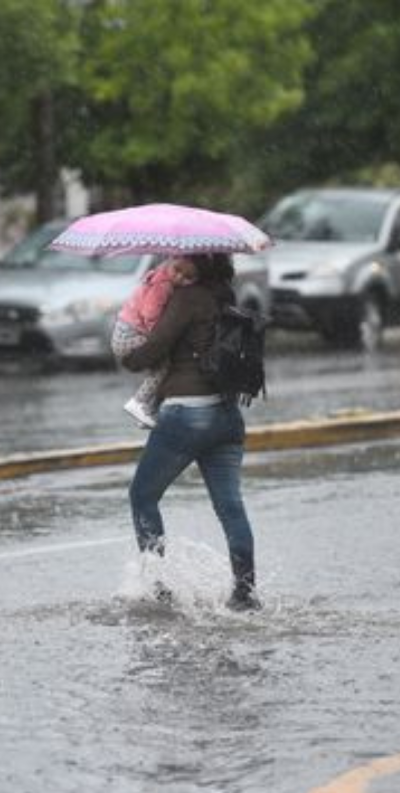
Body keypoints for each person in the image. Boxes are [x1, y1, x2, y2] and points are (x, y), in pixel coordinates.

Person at [121, 252, 261, 611]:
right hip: (227, 417)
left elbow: (155, 348)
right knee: (231, 508)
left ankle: (158, 587)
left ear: (201, 264)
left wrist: (128, 356)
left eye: (185, 264)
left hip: (187, 414)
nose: (177, 268)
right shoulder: (225, 295)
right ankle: (245, 593)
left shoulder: (188, 298)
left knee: (142, 496)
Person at [110, 257, 199, 428]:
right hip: (128, 336)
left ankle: (147, 411)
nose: (179, 277)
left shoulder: (157, 275)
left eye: (187, 277)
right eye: (177, 270)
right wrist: (160, 335)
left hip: (122, 332)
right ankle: (138, 402)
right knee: (163, 366)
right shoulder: (162, 286)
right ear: (170, 262)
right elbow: (150, 314)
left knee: (160, 366)